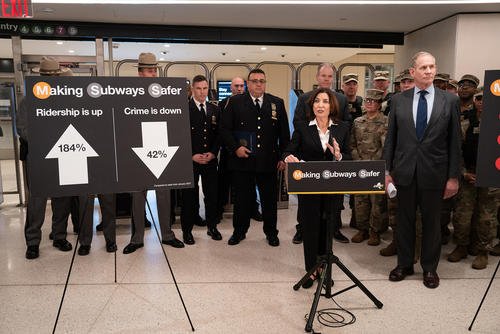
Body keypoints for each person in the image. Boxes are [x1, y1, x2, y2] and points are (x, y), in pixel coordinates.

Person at [384, 51, 461, 289]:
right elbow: (391, 140)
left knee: (432, 224)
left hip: (434, 174)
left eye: (432, 67)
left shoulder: (449, 101)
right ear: (412, 72)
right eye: (424, 67)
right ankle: (405, 264)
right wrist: (386, 172)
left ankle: (429, 268)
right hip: (404, 173)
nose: (429, 71)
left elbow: (454, 142)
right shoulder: (398, 101)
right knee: (404, 222)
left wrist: (453, 177)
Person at [283, 87, 351, 288]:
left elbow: (349, 157)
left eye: (325, 101)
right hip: (309, 189)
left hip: (332, 189)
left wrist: (338, 155)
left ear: (332, 106)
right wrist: (288, 157)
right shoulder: (303, 127)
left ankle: (324, 268)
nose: (321, 105)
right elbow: (288, 150)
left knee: (327, 228)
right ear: (311, 106)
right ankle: (311, 270)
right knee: (311, 228)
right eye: (317, 101)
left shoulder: (343, 128)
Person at [123, 52, 184, 254]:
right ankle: (137, 238)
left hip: (160, 146)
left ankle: (167, 234)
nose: (154, 74)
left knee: (164, 194)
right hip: (137, 149)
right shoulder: (129, 94)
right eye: (150, 71)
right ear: (140, 73)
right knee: (138, 196)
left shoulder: (165, 92)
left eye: (155, 70)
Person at [220, 68, 290, 246]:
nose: (259, 84)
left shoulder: (277, 103)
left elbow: (284, 135)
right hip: (243, 161)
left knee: (269, 201)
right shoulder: (234, 102)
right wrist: (235, 148)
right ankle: (239, 232)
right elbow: (225, 130)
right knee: (242, 201)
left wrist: (283, 156)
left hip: (268, 162)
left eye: (262, 81)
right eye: (255, 81)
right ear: (248, 83)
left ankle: (271, 233)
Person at [17, 57, 74, 259]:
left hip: (62, 154)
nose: (51, 81)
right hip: (39, 157)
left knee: (62, 198)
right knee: (37, 202)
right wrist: (46, 143)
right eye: (47, 77)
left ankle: (59, 236)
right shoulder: (27, 100)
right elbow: (23, 129)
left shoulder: (63, 99)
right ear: (40, 77)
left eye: (54, 77)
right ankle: (33, 242)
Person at [292, 63, 351, 244]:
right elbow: (298, 122)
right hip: (310, 155)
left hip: (333, 155)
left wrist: (333, 143)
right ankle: (302, 229)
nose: (326, 79)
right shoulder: (305, 98)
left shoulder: (341, 99)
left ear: (333, 78)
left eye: (329, 76)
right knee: (306, 198)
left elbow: (346, 124)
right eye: (323, 76)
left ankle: (334, 229)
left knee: (334, 198)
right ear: (317, 77)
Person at [448, 89, 499, 269]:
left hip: (491, 176)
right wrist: (463, 172)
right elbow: (456, 150)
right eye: (478, 98)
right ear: (474, 101)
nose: (482, 102)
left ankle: (483, 251)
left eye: (486, 99)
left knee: (486, 217)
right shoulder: (464, 122)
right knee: (462, 215)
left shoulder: (497, 122)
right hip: (468, 174)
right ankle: (461, 246)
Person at [180, 74, 222, 244]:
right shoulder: (184, 109)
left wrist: (213, 153)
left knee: (212, 196)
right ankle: (187, 231)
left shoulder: (215, 109)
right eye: (198, 88)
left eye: (205, 88)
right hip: (191, 160)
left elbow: (219, 135)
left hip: (210, 160)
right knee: (189, 197)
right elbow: (180, 136)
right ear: (192, 90)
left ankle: (212, 227)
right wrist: (191, 155)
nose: (202, 92)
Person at [217, 77, 263, 223]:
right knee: (223, 182)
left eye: (241, 86)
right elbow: (221, 129)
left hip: (246, 152)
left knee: (249, 184)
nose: (239, 88)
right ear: (230, 88)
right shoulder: (224, 104)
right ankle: (219, 210)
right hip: (228, 150)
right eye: (236, 86)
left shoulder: (251, 104)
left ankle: (253, 209)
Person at [350, 89, 388, 246]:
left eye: (373, 101)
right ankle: (362, 229)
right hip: (360, 166)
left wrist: (374, 163)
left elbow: (386, 146)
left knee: (377, 202)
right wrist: (358, 160)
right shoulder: (358, 121)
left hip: (377, 166)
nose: (369, 103)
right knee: (360, 200)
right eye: (367, 100)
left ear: (379, 104)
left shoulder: (385, 121)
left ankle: (375, 231)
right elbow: (352, 143)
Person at [341, 73, 363, 230]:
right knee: (337, 185)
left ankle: (357, 220)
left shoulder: (363, 103)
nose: (351, 86)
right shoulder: (337, 102)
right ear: (343, 86)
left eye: (354, 84)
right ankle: (335, 222)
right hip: (340, 149)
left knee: (357, 187)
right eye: (348, 84)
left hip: (358, 151)